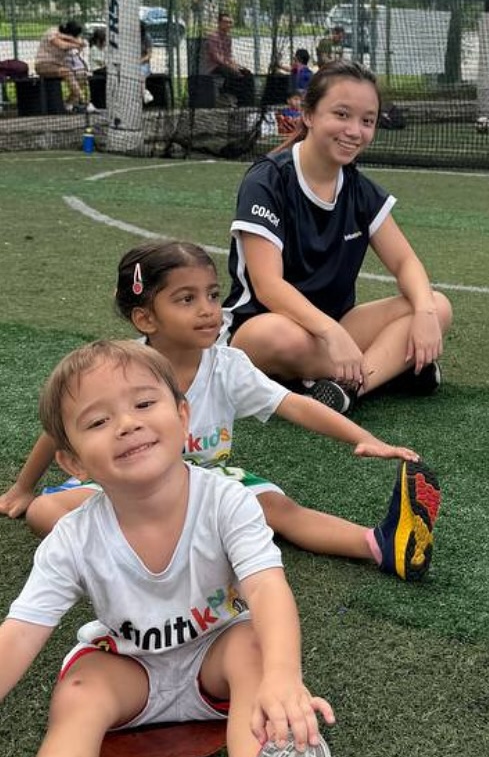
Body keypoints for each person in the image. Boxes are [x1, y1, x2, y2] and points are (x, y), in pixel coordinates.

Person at [0, 339, 335, 757]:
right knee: (79, 694)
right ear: (73, 461)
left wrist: (285, 678)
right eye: (98, 420)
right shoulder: (73, 538)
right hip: (130, 669)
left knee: (252, 643)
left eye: (144, 404)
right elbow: (21, 634)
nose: (126, 425)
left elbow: (267, 590)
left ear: (183, 416)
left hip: (216, 662)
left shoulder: (228, 501)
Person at [0, 241, 440, 583]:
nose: (209, 310)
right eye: (186, 299)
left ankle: (382, 544)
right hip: (127, 485)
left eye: (212, 295)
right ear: (145, 319)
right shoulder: (118, 367)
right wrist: (23, 487)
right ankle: (138, 553)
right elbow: (58, 428)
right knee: (43, 512)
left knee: (280, 510)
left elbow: (296, 405)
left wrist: (363, 437)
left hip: (205, 483)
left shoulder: (228, 366)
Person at [222, 61, 453, 416]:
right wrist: (331, 332)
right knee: (278, 335)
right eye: (342, 114)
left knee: (437, 306)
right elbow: (267, 285)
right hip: (265, 327)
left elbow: (405, 262)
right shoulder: (267, 181)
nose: (354, 131)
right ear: (309, 113)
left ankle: (349, 386)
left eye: (367, 120)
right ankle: (392, 369)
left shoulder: (359, 189)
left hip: (336, 328)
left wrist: (423, 313)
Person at [200, 12, 254, 106]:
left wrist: (237, 65)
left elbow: (228, 56)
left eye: (230, 22)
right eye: (226, 22)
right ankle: (225, 93)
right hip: (213, 66)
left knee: (247, 73)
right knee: (234, 74)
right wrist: (230, 66)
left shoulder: (228, 38)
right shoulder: (213, 37)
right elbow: (216, 57)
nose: (228, 25)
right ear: (219, 23)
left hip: (225, 64)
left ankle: (246, 102)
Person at [34, 20, 91, 110]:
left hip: (60, 65)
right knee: (66, 72)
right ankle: (84, 101)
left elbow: (81, 43)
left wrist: (76, 41)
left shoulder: (68, 37)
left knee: (82, 75)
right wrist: (76, 44)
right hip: (44, 65)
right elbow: (62, 45)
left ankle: (69, 103)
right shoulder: (52, 32)